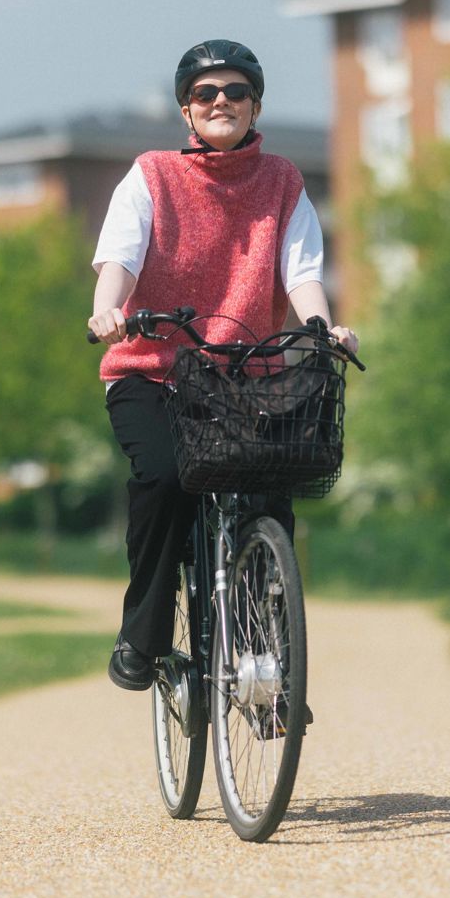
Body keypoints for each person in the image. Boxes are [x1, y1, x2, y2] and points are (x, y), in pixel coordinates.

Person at [88, 39, 358, 695]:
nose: (220, 103)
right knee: (162, 478)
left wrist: (322, 325)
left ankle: (271, 670)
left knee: (269, 492)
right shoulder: (151, 174)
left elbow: (300, 270)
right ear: (186, 109)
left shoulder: (282, 180)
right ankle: (144, 634)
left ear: (255, 105)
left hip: (243, 374)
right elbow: (120, 255)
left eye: (235, 92)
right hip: (152, 367)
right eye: (205, 93)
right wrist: (108, 309)